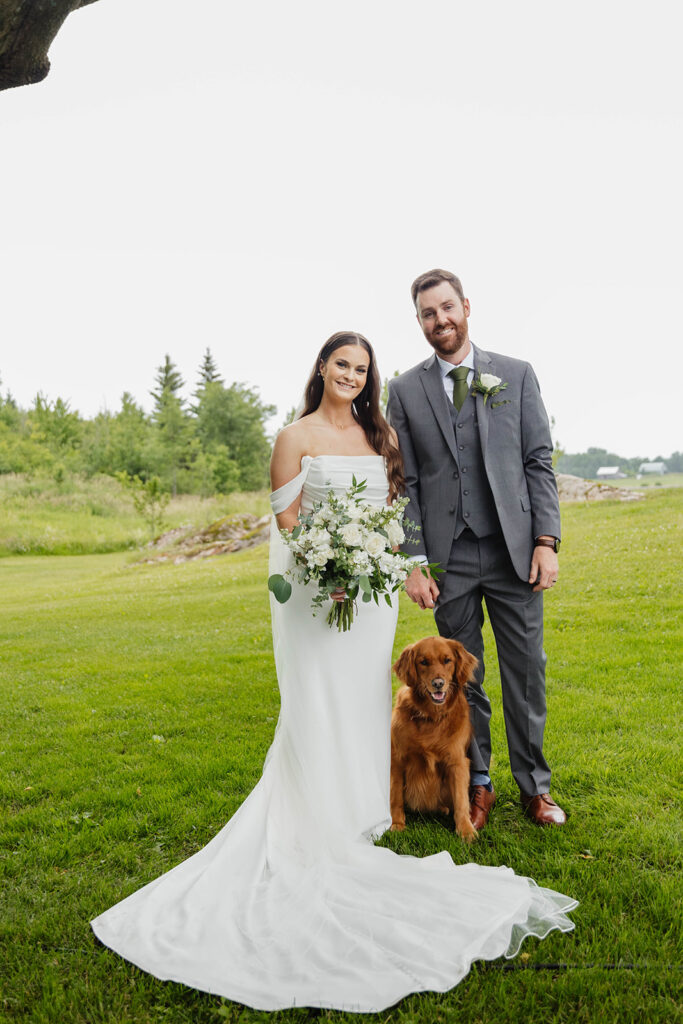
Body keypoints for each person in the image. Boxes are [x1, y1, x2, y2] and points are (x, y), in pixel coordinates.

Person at [91, 331, 576, 1013]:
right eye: (341, 364)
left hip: (370, 599)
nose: (351, 374)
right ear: (321, 366)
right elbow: (287, 521)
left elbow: (393, 508)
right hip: (317, 595)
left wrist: (380, 561)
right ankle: (313, 816)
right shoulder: (293, 436)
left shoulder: (380, 433)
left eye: (360, 367)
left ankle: (365, 810)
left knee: (358, 703)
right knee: (315, 701)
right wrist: (327, 563)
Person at [387, 269, 567, 832]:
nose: (439, 321)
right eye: (426, 314)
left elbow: (538, 460)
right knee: (463, 679)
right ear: (418, 322)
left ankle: (535, 789)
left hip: (515, 551)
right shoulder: (405, 391)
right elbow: (403, 483)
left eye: (446, 308)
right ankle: (479, 783)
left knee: (525, 673)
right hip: (450, 559)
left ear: (466, 306)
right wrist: (414, 562)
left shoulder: (514, 374)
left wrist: (546, 541)